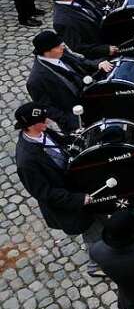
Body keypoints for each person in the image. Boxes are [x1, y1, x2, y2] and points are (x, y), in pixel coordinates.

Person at [14, 102, 105, 275]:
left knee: (101, 219)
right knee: (92, 231)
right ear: (31, 126)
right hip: (69, 201)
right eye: (42, 120)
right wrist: (79, 199)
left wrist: (74, 138)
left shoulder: (42, 131)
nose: (47, 121)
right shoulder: (26, 162)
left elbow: (60, 143)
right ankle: (96, 266)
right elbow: (44, 193)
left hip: (76, 185)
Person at [26, 28, 112, 133]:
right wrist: (73, 122)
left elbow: (80, 61)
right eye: (58, 46)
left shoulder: (61, 52)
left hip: (90, 95)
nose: (63, 46)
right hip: (77, 115)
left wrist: (97, 64)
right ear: (47, 52)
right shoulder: (36, 81)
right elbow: (48, 109)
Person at [50, 0, 119, 60]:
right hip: (103, 57)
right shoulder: (62, 21)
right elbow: (78, 47)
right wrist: (104, 49)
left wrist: (105, 3)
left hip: (111, 36)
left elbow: (93, 7)